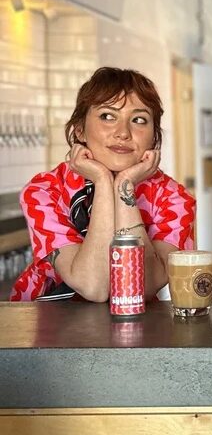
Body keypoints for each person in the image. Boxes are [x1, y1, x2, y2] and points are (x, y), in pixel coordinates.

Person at [11, 67, 196, 302]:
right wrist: (102, 180)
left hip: (135, 326)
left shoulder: (174, 198)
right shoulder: (44, 190)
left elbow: (140, 288)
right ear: (80, 129)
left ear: (154, 137)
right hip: (42, 322)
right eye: (107, 116)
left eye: (139, 120)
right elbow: (93, 286)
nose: (123, 133)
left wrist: (124, 185)